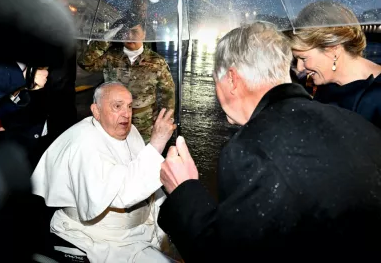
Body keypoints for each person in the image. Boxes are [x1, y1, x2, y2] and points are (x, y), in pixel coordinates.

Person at [158, 22, 381, 262]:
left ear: (232, 79)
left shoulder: (250, 149)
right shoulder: (358, 125)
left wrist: (184, 189)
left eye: (216, 80)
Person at [31, 81, 177, 263]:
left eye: (130, 106)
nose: (126, 114)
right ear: (96, 111)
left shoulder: (130, 131)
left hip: (138, 232)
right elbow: (122, 193)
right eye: (117, 106)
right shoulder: (84, 142)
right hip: (100, 238)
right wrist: (156, 144)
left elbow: (146, 183)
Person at [77, 15, 175, 143]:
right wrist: (104, 40)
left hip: (145, 125)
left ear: (144, 34)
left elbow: (168, 95)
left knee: (144, 159)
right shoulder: (111, 56)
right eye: (124, 32)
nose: (129, 36)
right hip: (113, 122)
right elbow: (85, 63)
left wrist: (165, 123)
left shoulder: (157, 62)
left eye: (134, 32)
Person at [286, 0, 381, 128]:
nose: (299, 67)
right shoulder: (326, 86)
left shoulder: (376, 97)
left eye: (303, 58)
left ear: (333, 49)